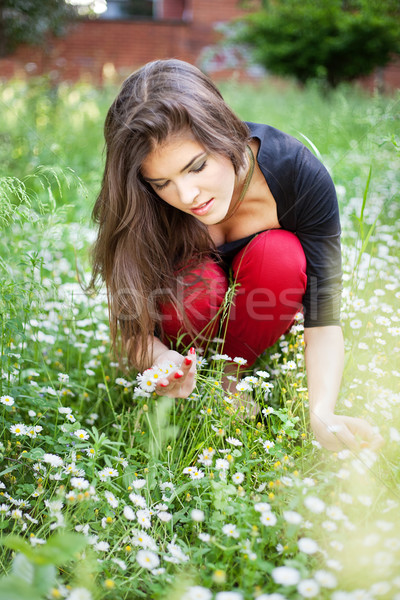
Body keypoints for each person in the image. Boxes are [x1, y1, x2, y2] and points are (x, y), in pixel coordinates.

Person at [90, 58, 383, 452]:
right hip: (187, 321)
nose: (187, 196)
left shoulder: (296, 175)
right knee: (200, 285)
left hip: (261, 307)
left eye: (197, 167)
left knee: (279, 255)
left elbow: (323, 321)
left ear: (224, 131)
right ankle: (198, 367)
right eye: (163, 183)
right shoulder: (141, 203)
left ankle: (231, 372)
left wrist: (321, 413)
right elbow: (132, 328)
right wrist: (160, 357)